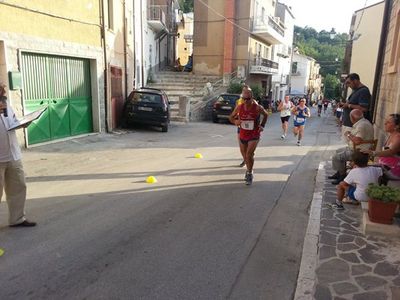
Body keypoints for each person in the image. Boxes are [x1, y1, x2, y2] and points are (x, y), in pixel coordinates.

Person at [0, 83, 36, 227]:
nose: (2, 91)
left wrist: (22, 123)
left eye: (2, 88)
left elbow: (13, 121)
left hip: (13, 155)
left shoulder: (6, 103)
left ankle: (17, 219)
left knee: (18, 187)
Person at [229, 87, 268, 185]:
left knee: (248, 154)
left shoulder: (257, 107)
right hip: (243, 134)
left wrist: (262, 125)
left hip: (254, 134)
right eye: (244, 99)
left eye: (248, 99)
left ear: (252, 97)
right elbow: (230, 117)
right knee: (245, 155)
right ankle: (249, 168)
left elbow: (266, 114)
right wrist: (235, 121)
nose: (245, 101)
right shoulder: (239, 107)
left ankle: (249, 173)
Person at [328, 109, 374, 184]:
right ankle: (339, 172)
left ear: (352, 118)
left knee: (336, 157)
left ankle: (342, 176)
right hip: (357, 148)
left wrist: (349, 135)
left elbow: (357, 141)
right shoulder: (363, 122)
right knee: (338, 151)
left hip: (360, 151)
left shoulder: (362, 125)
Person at [362, 114, 400, 181]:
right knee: (358, 166)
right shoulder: (391, 135)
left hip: (393, 170)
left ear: (396, 126)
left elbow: (391, 152)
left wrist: (373, 153)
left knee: (361, 171)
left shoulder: (398, 137)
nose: (385, 123)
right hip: (385, 166)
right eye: (386, 121)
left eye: (388, 122)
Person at [341, 73, 371, 141]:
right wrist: (344, 104)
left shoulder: (364, 91)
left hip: (353, 126)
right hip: (348, 124)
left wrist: (348, 105)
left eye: (349, 83)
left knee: (350, 146)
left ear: (356, 80)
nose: (348, 85)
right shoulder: (355, 90)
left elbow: (364, 108)